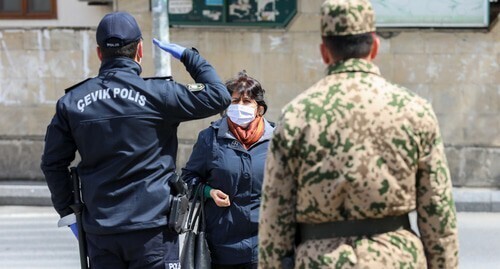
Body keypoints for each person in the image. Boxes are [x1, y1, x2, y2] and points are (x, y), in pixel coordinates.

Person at [258, 0, 459, 268]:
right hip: (396, 259)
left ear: (324, 52)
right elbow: (438, 213)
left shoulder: (297, 115)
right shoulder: (414, 111)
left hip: (322, 260)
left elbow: (274, 215)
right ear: (374, 46)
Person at [40, 11, 231, 269]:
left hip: (101, 230)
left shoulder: (72, 102)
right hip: (154, 231)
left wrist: (69, 213)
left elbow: (53, 164)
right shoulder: (160, 94)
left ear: (99, 53)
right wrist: (190, 57)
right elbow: (219, 96)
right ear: (140, 50)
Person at [181, 71, 275, 269]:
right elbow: (187, 179)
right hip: (222, 248)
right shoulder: (209, 138)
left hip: (266, 245)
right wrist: (209, 192)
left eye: (246, 101)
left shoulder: (278, 139)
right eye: (234, 101)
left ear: (259, 109)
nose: (239, 107)